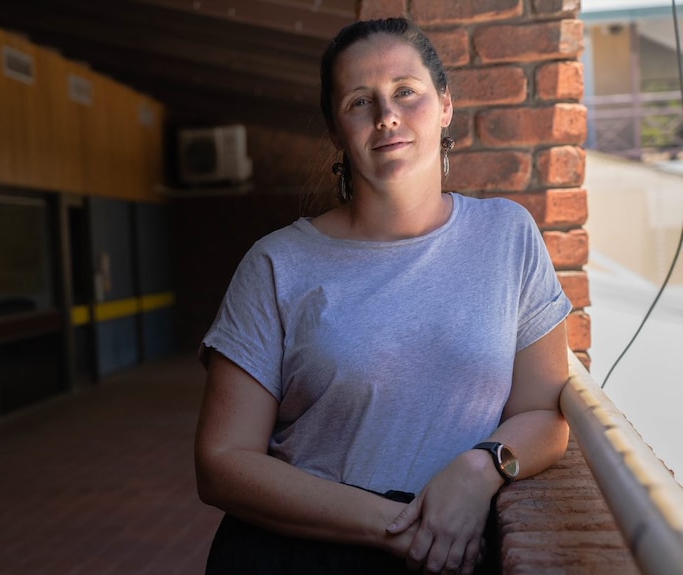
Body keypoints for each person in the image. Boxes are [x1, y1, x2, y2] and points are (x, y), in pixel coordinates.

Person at [194, 17, 571, 575]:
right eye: (358, 101)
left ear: (445, 105)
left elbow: (545, 412)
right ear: (335, 129)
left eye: (405, 92)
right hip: (302, 555)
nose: (386, 115)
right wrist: (396, 526)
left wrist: (480, 468)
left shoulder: (506, 235)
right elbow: (221, 462)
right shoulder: (276, 263)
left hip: (457, 545)